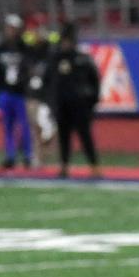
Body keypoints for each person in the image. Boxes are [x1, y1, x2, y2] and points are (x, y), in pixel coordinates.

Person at [47, 24, 101, 179]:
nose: (65, 44)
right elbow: (49, 82)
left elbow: (95, 81)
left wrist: (92, 101)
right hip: (62, 105)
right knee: (64, 137)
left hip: (80, 105)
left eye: (68, 41)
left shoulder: (83, 59)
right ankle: (64, 166)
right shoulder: (55, 59)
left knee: (85, 136)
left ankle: (94, 166)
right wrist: (52, 102)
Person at [0, 15, 34, 170]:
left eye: (12, 28)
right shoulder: (1, 47)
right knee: (7, 125)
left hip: (20, 92)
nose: (10, 31)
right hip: (5, 92)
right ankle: (10, 156)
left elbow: (29, 68)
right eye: (8, 28)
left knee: (24, 124)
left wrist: (24, 83)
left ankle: (27, 155)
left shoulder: (24, 48)